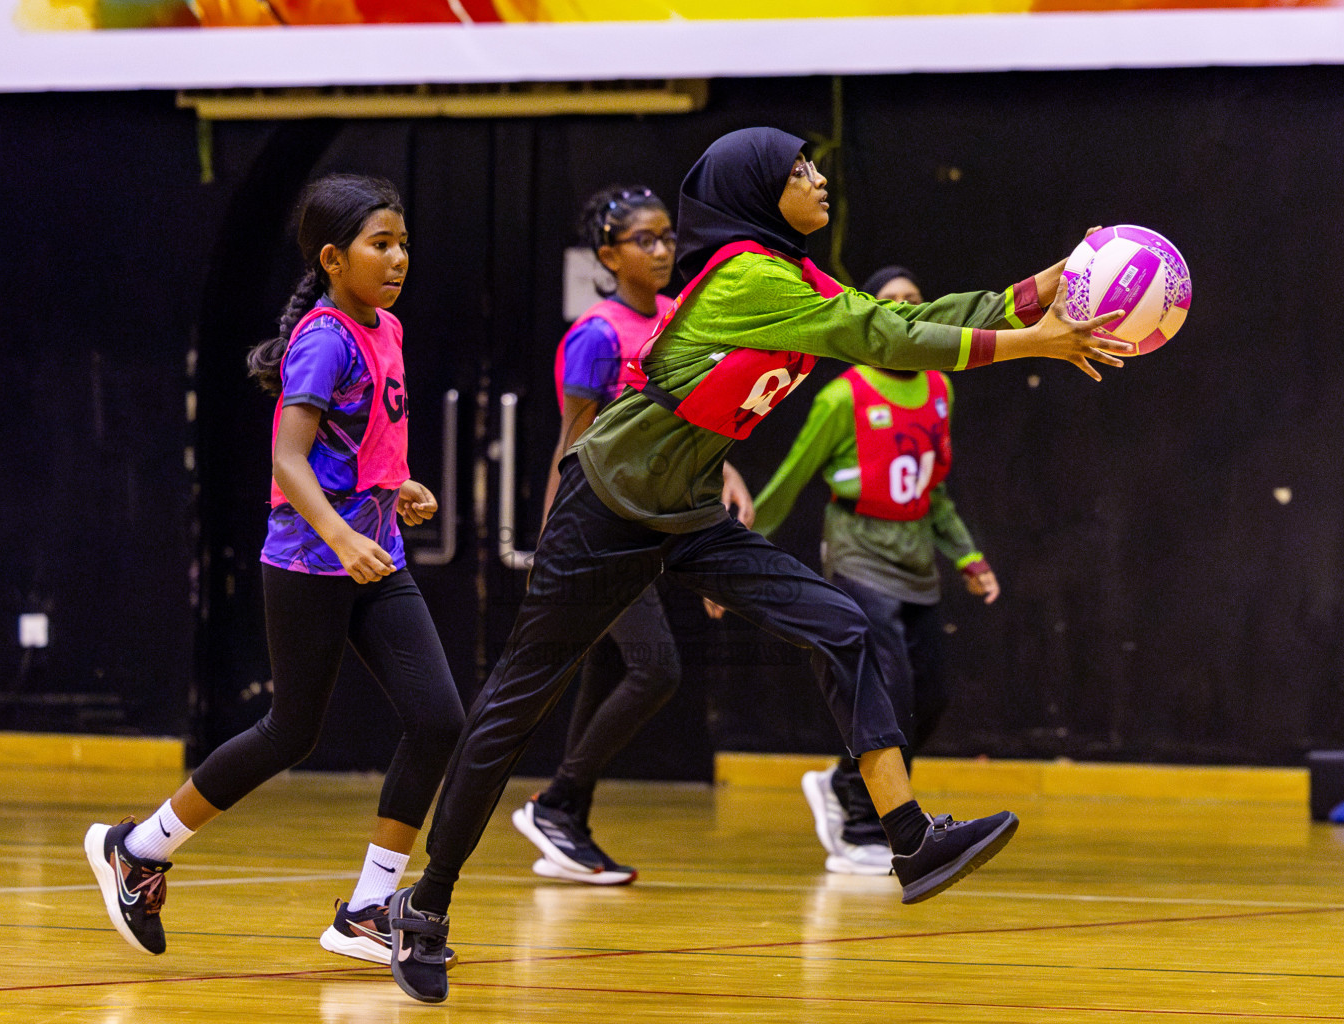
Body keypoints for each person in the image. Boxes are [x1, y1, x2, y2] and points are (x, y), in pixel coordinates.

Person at [386, 127, 1131, 1004]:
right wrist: (1034, 343)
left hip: (689, 512)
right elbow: (886, 342)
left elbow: (906, 321)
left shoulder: (794, 275)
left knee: (842, 626)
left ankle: (909, 838)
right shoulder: (751, 278)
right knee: (515, 707)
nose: (818, 179)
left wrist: (1047, 285)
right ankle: (424, 905)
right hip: (606, 508)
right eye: (799, 169)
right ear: (755, 190)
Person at [82, 175, 465, 984]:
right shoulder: (323, 339)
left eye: (403, 243)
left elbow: (354, 442)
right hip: (310, 562)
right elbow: (289, 460)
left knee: (437, 718)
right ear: (332, 258)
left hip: (376, 555)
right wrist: (340, 533)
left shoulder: (387, 328)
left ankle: (369, 908)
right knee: (291, 731)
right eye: (380, 244)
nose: (399, 258)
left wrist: (398, 485)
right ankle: (139, 847)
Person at [512, 185, 754, 886]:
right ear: (609, 254)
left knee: (608, 669)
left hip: (656, 523)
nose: (662, 249)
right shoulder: (596, 336)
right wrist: (553, 541)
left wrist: (727, 473)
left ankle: (565, 817)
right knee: (655, 668)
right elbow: (573, 444)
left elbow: (685, 421)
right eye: (644, 239)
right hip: (599, 528)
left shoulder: (677, 317)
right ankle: (555, 802)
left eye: (667, 236)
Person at [747, 264, 1001, 875]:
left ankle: (842, 781)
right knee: (894, 692)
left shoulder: (939, 389)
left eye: (916, 300)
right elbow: (789, 480)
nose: (905, 310)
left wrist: (967, 555)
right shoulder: (844, 396)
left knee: (930, 696)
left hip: (916, 558)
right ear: (871, 316)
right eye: (891, 302)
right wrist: (743, 549)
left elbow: (935, 490)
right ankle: (866, 826)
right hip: (859, 553)